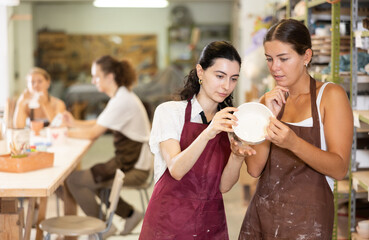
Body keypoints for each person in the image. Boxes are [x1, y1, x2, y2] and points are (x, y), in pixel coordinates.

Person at [231, 19, 353, 239]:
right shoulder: (268, 102)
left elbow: (339, 169)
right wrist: (267, 116)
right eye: (269, 59)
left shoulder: (330, 96)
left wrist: (293, 143)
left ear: (306, 56)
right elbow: (254, 170)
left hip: (308, 224)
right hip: (263, 218)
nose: (274, 67)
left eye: (283, 59)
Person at [139, 41, 254, 240]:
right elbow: (176, 169)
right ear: (200, 72)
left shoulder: (228, 122)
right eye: (219, 76)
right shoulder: (169, 112)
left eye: (233, 79)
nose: (226, 86)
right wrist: (209, 132)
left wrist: (236, 157)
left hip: (209, 223)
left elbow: (224, 187)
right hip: (169, 223)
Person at [64, 55, 152, 236]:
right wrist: (73, 124)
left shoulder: (122, 100)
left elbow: (94, 132)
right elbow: (100, 122)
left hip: (136, 167)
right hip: (131, 160)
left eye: (96, 76)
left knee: (75, 180)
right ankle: (130, 214)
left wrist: (64, 132)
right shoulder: (121, 95)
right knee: (92, 177)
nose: (93, 80)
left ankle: (104, 227)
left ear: (110, 76)